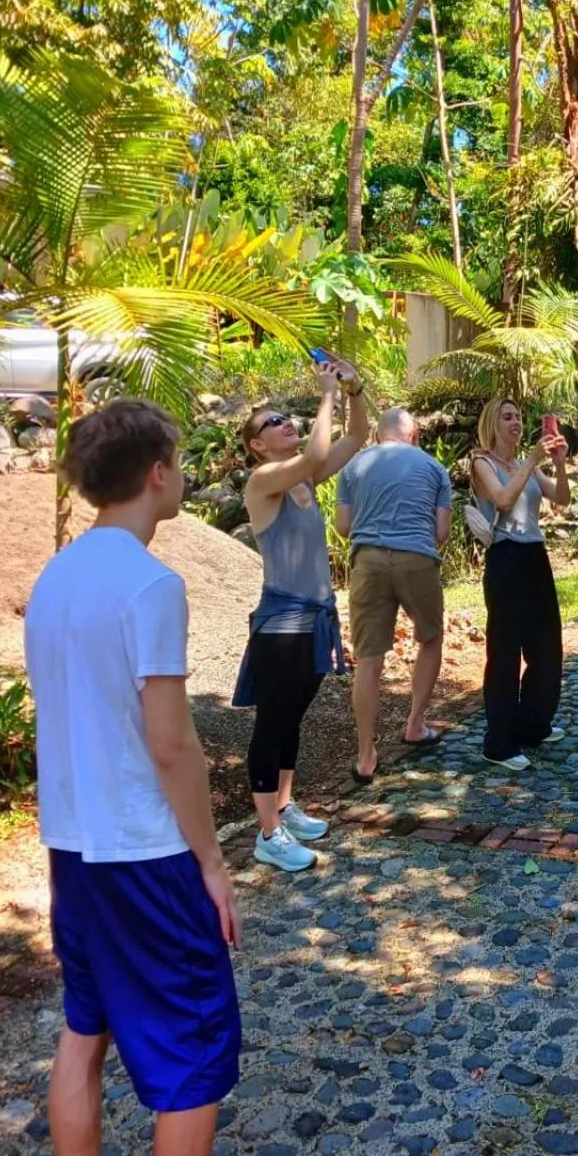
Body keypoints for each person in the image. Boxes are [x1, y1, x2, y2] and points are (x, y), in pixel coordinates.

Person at [24, 399, 296, 1156]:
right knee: (191, 1045)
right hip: (143, 852)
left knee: (84, 1030)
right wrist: (213, 865)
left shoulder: (55, 578)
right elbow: (173, 744)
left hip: (73, 847)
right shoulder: (149, 583)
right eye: (178, 463)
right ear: (156, 474)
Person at [233, 356, 369, 872]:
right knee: (273, 722)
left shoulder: (302, 481)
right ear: (256, 445)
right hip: (282, 625)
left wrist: (353, 389)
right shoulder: (265, 480)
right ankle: (268, 833)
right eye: (273, 422)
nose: (285, 422)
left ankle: (284, 806)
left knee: (294, 717)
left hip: (313, 620)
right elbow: (317, 448)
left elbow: (355, 438)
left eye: (287, 417)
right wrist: (326, 393)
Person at [335, 407, 452, 780]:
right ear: (414, 434)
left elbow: (343, 526)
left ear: (375, 435)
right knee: (430, 637)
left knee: (369, 659)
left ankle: (366, 756)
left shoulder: (353, 467)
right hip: (417, 557)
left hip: (367, 561)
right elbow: (441, 532)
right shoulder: (434, 468)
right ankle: (415, 724)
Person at [471, 398, 570, 771]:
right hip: (506, 556)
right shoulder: (483, 462)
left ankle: (532, 724)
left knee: (547, 646)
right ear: (492, 423)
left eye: (519, 416)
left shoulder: (520, 465)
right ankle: (498, 742)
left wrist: (558, 465)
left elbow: (561, 498)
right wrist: (531, 462)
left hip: (534, 555)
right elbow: (502, 500)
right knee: (506, 651)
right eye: (507, 416)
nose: (515, 422)